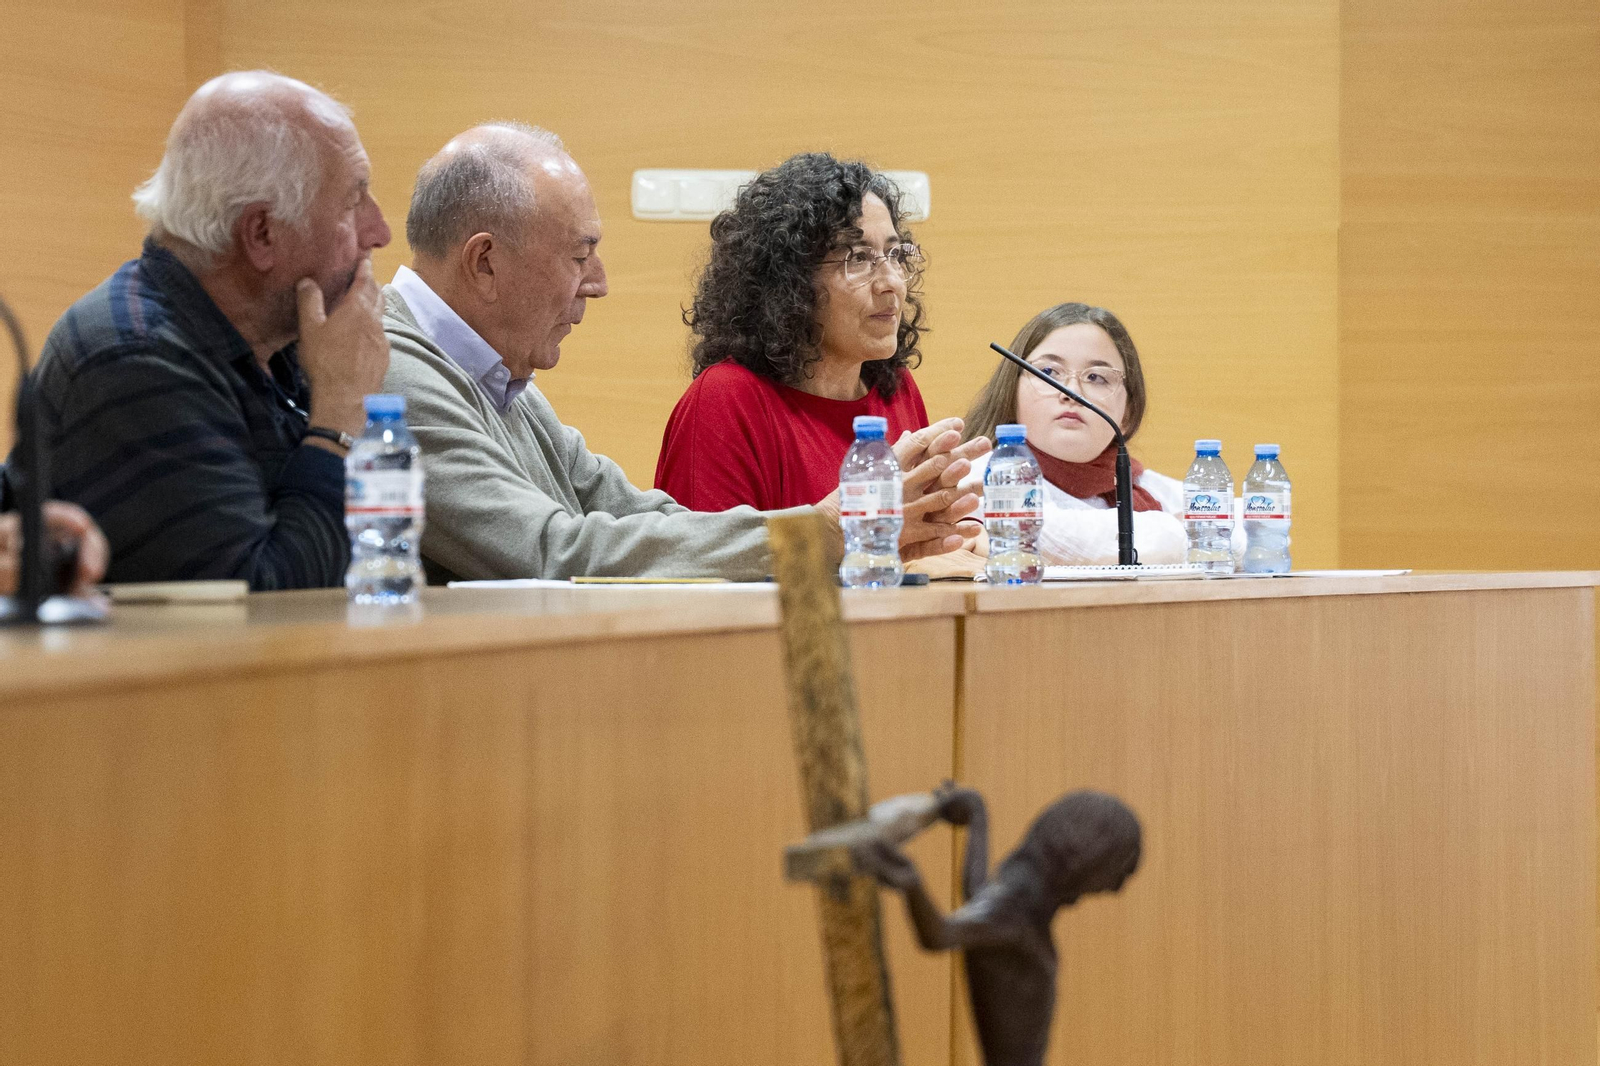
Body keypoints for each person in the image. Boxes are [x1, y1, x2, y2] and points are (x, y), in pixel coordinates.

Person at [382, 125, 977, 582]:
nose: (599, 282)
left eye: (895, 255)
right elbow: (552, 549)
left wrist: (850, 533)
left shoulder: (499, 380)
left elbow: (637, 514)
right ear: (485, 261)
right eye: (578, 255)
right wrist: (821, 532)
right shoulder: (390, 373)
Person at [17, 71, 392, 589]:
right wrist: (341, 416)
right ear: (262, 233)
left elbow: (385, 563)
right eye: (354, 202)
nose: (381, 232)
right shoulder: (135, 358)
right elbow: (259, 613)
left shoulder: (286, 346)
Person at [654, 153, 977, 513]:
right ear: (789, 281)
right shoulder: (725, 400)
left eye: (894, 254)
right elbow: (704, 561)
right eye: (857, 257)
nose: (892, 284)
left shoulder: (895, 389)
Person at [960, 303, 1190, 566]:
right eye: (1047, 372)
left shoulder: (1139, 484)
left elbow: (1239, 523)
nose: (1071, 392)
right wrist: (1180, 531)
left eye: (1096, 377)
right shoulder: (979, 477)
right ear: (1011, 394)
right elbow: (1049, 537)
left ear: (1127, 414)